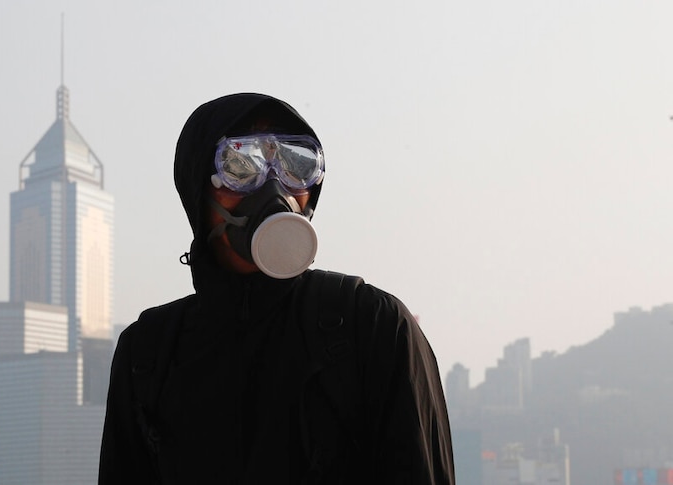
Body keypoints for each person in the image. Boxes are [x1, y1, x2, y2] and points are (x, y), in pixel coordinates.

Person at [98, 93, 454, 484]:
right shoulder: (149, 353)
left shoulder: (373, 327)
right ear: (197, 190)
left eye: (294, 164)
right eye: (241, 165)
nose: (273, 187)